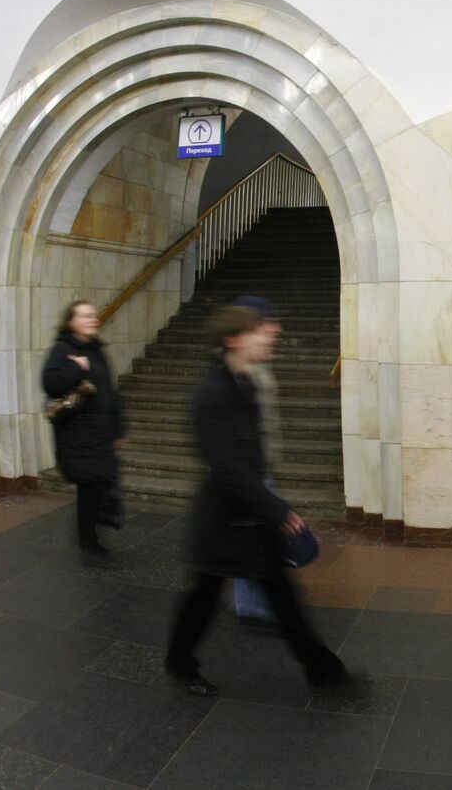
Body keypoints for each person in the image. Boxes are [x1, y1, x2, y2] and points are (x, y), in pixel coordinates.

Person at [165, 304, 349, 697]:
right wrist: (276, 508)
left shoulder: (244, 384)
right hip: (222, 520)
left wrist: (268, 506)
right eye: (259, 330)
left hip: (247, 517)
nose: (270, 334)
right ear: (233, 339)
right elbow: (226, 467)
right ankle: (180, 660)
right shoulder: (212, 395)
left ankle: (324, 671)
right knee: (205, 596)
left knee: (281, 595)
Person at [41, 300, 125, 564]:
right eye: (85, 316)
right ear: (71, 322)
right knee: (91, 487)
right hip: (77, 435)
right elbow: (50, 383)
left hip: (99, 433)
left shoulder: (96, 349)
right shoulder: (62, 350)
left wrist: (119, 426)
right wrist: (76, 366)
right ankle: (88, 541)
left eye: (93, 315)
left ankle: (90, 533)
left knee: (99, 484)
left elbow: (109, 391)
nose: (93, 319)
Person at [229, 296, 285, 627]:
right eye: (267, 324)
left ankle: (251, 603)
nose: (274, 330)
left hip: (257, 469)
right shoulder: (235, 375)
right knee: (254, 542)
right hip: (247, 475)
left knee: (252, 541)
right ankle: (253, 607)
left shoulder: (256, 367)